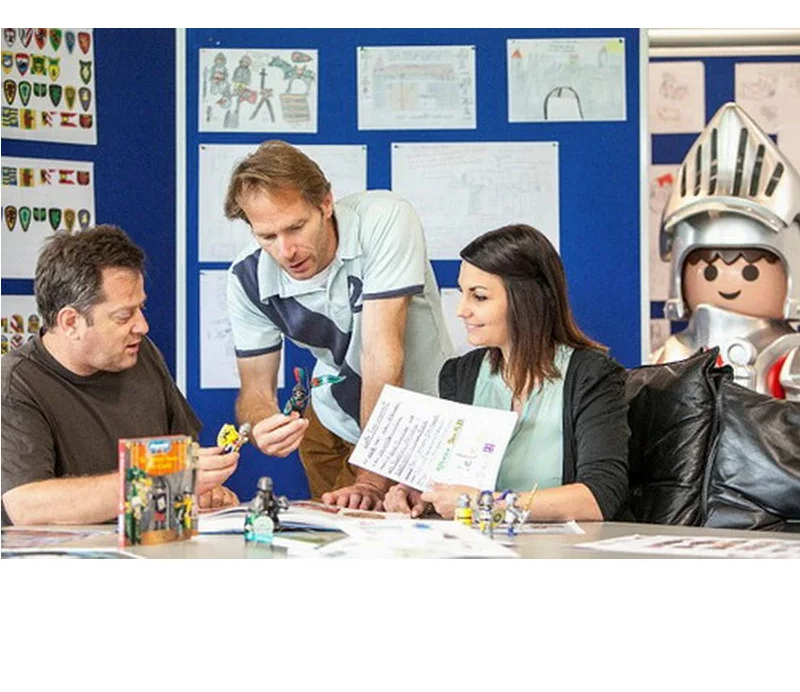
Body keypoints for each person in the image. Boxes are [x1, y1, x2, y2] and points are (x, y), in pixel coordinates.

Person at [224, 140, 453, 508]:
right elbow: (254, 391)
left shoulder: (384, 220)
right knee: (333, 536)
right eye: (267, 236)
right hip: (329, 425)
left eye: (296, 227)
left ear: (326, 203)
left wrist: (371, 480)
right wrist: (262, 424)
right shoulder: (246, 277)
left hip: (414, 426)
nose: (286, 251)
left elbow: (380, 354)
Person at [383, 224, 630, 521]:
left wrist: (485, 504)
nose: (462, 310)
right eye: (463, 293)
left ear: (526, 299)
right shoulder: (460, 375)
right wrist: (422, 494)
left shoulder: (592, 376)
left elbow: (599, 498)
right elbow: (451, 480)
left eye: (479, 297)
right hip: (476, 543)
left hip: (560, 546)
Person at [1, 225, 239, 527]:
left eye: (141, 308)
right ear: (71, 322)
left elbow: (181, 457)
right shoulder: (15, 384)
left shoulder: (141, 353)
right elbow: (26, 505)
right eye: (124, 316)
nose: (143, 326)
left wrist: (198, 492)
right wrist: (159, 478)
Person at [652, 102, 799, 400]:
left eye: (750, 271)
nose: (728, 281)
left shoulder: (790, 359)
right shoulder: (670, 355)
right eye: (709, 270)